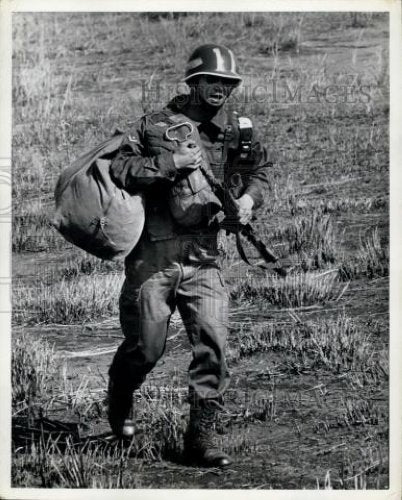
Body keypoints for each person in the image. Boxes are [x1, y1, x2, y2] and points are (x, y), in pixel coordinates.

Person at [107, 43, 271, 467]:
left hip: (204, 256)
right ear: (194, 82)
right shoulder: (155, 125)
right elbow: (120, 170)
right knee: (146, 348)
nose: (221, 89)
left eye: (228, 83)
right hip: (153, 257)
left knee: (213, 344)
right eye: (213, 81)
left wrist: (249, 200)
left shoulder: (238, 130)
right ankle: (120, 396)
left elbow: (257, 174)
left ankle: (200, 439)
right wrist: (169, 162)